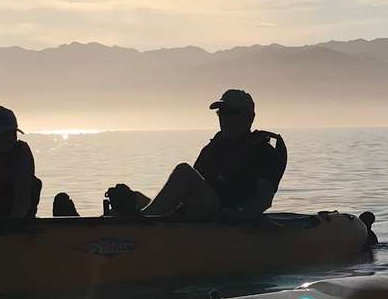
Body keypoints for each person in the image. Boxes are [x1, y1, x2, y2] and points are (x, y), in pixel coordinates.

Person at [104, 89, 287, 220]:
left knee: (184, 171)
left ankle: (136, 225)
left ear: (249, 117)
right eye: (221, 113)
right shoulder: (213, 148)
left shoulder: (264, 153)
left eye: (232, 113)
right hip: (199, 210)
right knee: (132, 197)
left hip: (223, 213)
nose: (225, 118)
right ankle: (105, 228)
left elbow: (263, 200)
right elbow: (190, 191)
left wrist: (238, 217)